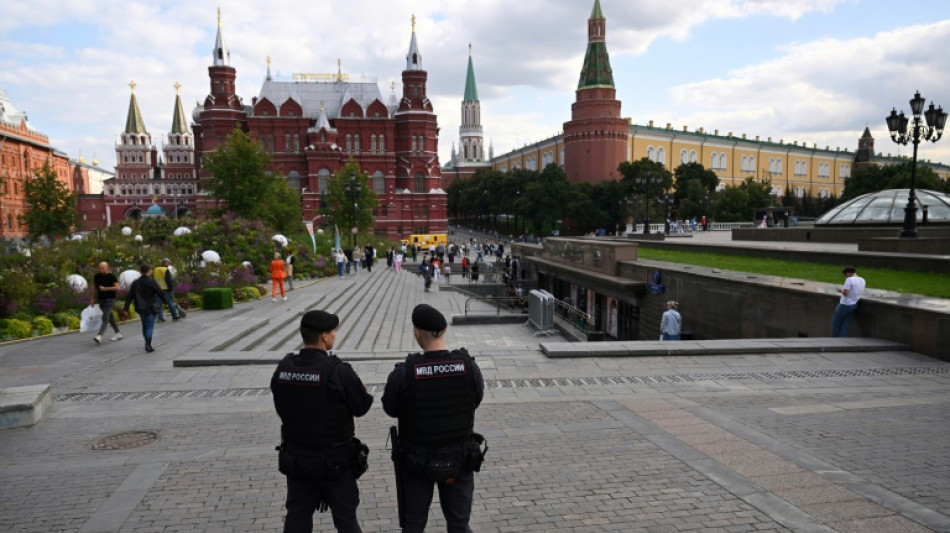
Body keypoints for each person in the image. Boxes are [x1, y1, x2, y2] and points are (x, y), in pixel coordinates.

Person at [383, 304, 485, 533]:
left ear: (416, 333)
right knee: (459, 524)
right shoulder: (468, 366)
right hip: (459, 459)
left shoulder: (404, 373)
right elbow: (475, 400)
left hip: (416, 461)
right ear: (445, 329)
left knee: (414, 525)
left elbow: (390, 408)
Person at [271, 310, 374, 533]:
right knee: (346, 520)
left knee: (297, 517)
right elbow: (362, 407)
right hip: (335, 463)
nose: (335, 335)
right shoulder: (338, 371)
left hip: (297, 460)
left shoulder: (284, 369)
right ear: (324, 336)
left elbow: (281, 405)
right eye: (333, 331)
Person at [124, 263, 163, 352]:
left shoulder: (135, 283)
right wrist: (165, 302)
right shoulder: (152, 281)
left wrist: (126, 309)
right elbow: (160, 292)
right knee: (149, 326)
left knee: (144, 325)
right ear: (149, 271)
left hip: (140, 308)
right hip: (151, 307)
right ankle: (148, 344)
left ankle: (146, 342)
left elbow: (129, 296)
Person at [91, 261, 122, 344]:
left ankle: (99, 336)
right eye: (100, 268)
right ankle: (118, 333)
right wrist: (93, 299)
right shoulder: (97, 276)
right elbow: (95, 288)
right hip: (101, 300)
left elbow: (117, 287)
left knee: (105, 318)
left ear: (108, 268)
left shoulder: (111, 276)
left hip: (110, 299)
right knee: (110, 317)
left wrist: (106, 288)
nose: (101, 270)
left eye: (103, 268)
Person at [832, 266, 866, 337]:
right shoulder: (862, 280)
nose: (845, 277)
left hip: (845, 304)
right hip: (854, 304)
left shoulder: (849, 279)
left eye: (845, 275)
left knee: (836, 322)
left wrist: (840, 290)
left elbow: (846, 293)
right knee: (846, 322)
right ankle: (842, 339)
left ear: (848, 273)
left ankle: (834, 338)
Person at [153, 258, 181, 322]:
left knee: (159, 304)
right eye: (168, 263)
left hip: (157, 290)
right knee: (170, 303)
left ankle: (160, 318)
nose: (168, 264)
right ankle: (174, 316)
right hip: (165, 290)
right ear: (165, 262)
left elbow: (153, 279)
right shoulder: (165, 270)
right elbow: (169, 281)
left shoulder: (156, 269)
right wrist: (171, 289)